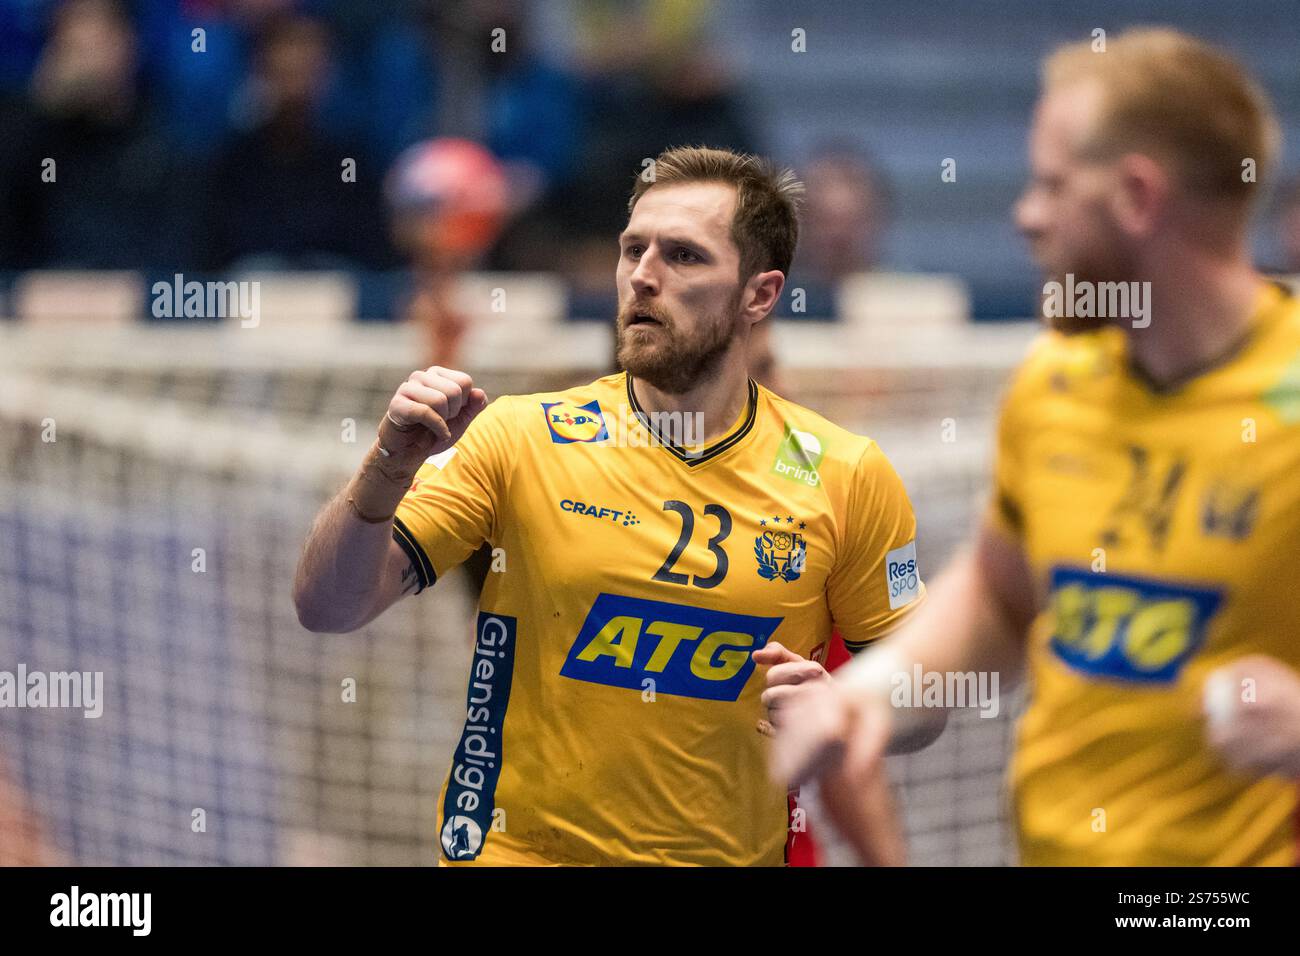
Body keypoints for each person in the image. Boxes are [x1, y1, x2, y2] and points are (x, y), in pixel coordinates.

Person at [293, 146, 925, 865]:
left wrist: (850, 708)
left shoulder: (848, 474)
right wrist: (382, 473)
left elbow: (922, 699)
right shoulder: (518, 435)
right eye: (633, 250)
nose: (643, 276)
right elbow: (326, 608)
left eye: (684, 255)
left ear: (760, 294)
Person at [768, 28, 1300, 866]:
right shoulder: (1055, 382)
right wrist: (864, 697)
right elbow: (1000, 593)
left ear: (1136, 196)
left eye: (1052, 185)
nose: (1025, 216)